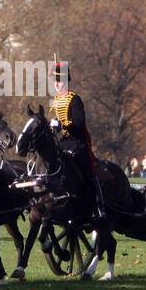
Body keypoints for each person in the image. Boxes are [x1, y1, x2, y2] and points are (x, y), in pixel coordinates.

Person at [49, 60, 106, 221]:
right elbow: (57, 123)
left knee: (87, 170)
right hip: (63, 141)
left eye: (59, 81)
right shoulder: (56, 101)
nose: (56, 84)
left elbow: (79, 123)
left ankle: (99, 205)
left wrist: (61, 124)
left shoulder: (74, 99)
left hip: (77, 141)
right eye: (55, 81)